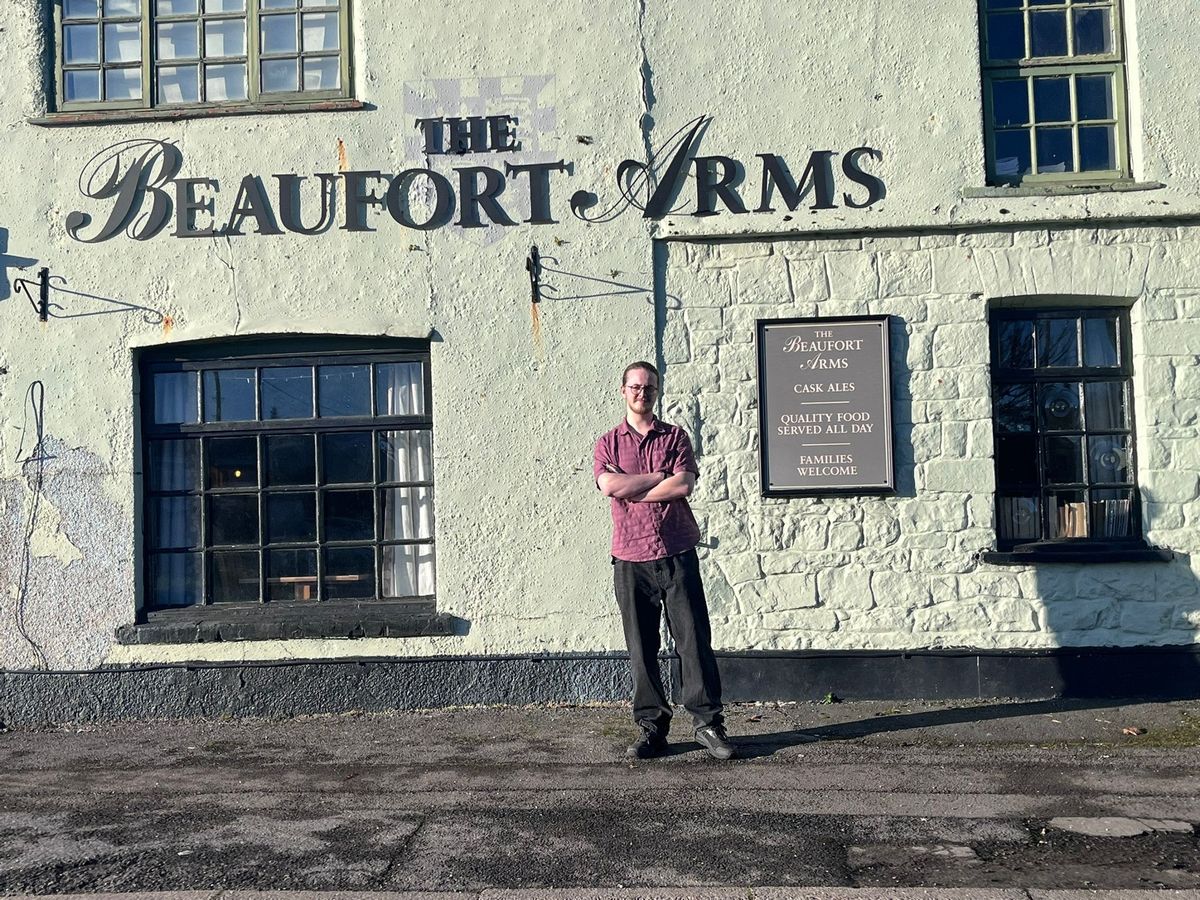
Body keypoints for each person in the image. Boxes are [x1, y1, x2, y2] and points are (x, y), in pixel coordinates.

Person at [592, 361, 734, 760]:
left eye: (649, 387)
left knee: (693, 642)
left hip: (676, 552)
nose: (642, 393)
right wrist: (659, 477)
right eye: (635, 386)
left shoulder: (675, 437)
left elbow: (684, 483)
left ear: (657, 392)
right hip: (630, 558)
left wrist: (633, 487)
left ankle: (708, 725)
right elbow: (609, 485)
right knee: (641, 647)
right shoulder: (607, 444)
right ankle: (652, 728)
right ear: (623, 391)